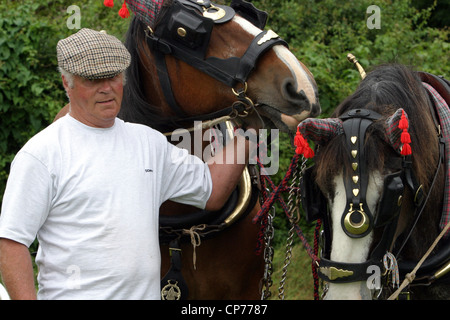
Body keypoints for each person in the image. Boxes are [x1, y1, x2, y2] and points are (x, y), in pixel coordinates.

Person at [0, 28, 254, 300]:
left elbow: (212, 189)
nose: (107, 88)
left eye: (113, 76)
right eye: (93, 79)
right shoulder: (42, 154)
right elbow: (11, 242)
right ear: (66, 82)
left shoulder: (148, 143)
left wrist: (252, 130)